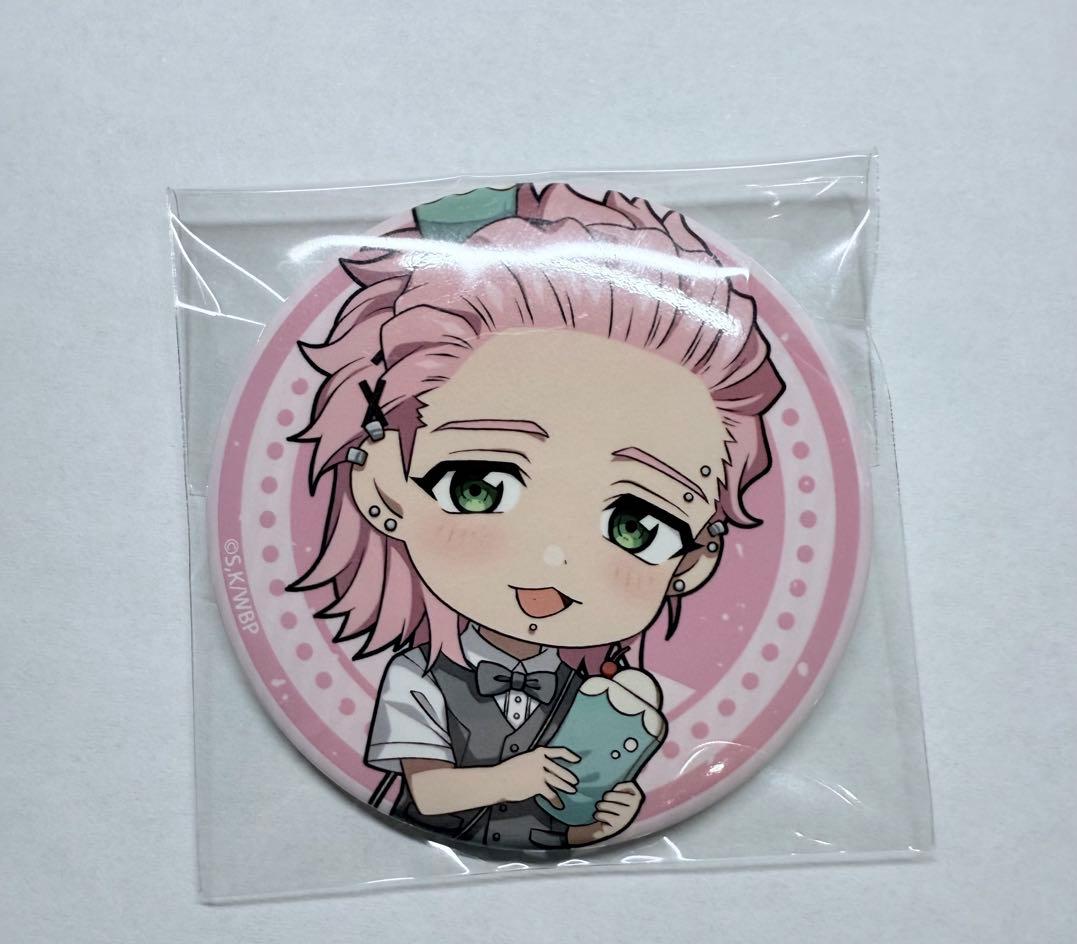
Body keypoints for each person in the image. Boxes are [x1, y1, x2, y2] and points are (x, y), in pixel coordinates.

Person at [289, 183, 784, 850]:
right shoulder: (418, 677)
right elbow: (427, 793)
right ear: (385, 483)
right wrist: (513, 777)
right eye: (478, 487)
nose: (553, 559)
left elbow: (567, 814)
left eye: (636, 526)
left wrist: (600, 821)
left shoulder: (590, 693)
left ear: (693, 562)